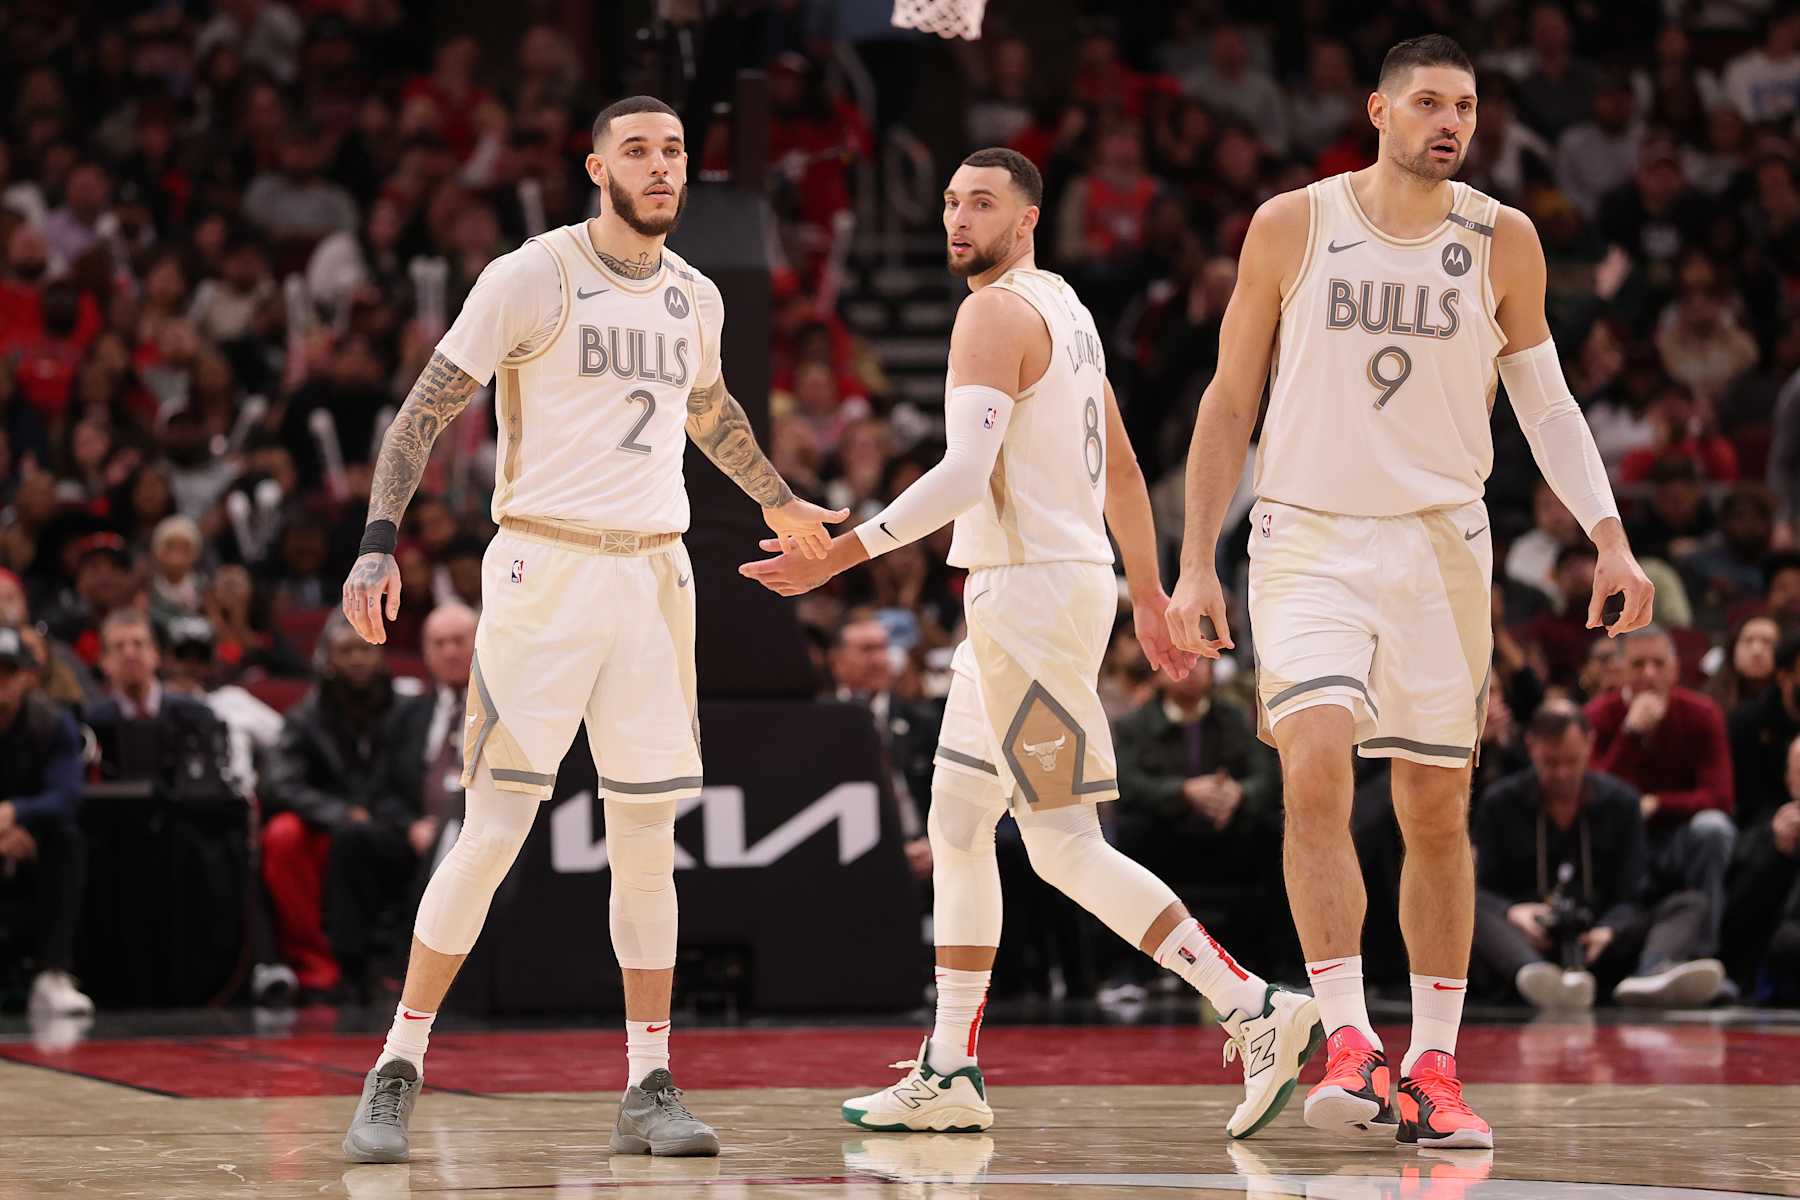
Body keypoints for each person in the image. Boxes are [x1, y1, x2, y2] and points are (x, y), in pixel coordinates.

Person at [742, 148, 1319, 1143]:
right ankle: (950, 1067)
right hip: (1041, 591)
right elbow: (1123, 467)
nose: (958, 219)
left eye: (982, 204)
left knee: (1061, 847)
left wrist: (842, 553)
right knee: (960, 824)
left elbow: (965, 476)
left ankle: (1252, 1006)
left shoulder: (994, 314)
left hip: (1030, 597)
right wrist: (1145, 590)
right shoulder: (1069, 309)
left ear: (1028, 219)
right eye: (950, 202)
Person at [1165, 35, 1654, 1151]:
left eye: (1466, 106)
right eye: (1429, 102)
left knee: (1437, 809)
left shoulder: (1503, 237)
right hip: (1307, 536)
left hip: (1441, 547)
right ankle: (1348, 1040)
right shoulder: (1292, 222)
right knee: (1316, 767)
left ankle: (1434, 1065)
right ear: (1378, 111)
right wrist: (1196, 560)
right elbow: (1229, 399)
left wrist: (1610, 537)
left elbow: (1547, 404)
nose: (1451, 122)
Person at [336, 96, 841, 1163]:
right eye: (638, 152)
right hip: (543, 567)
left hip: (655, 576)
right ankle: (397, 1063)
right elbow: (424, 409)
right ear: (596, 167)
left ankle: (649, 1082)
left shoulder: (697, 294)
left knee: (649, 842)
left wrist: (777, 497)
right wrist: (378, 541)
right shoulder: (533, 274)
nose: (661, 168)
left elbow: (709, 411)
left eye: (675, 152)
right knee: (493, 831)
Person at [1474, 703, 1725, 1010]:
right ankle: (1539, 979)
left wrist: (1610, 929)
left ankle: (1651, 974)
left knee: (1690, 903)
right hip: (1525, 940)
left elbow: (1633, 892)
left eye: (1571, 761)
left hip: (1601, 940)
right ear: (1531, 747)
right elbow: (1482, 890)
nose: (1562, 773)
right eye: (1550, 763)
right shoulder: (1501, 803)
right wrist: (1514, 912)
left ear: (1589, 745)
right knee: (1470, 908)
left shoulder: (1622, 802)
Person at [327, 603, 477, 995]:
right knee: (354, 839)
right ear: (425, 652)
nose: (449, 652)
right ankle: (356, 976)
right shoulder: (407, 714)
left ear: (481, 643)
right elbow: (382, 790)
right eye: (439, 643)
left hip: (481, 834)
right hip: (418, 835)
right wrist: (411, 826)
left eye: (458, 641)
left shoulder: (508, 711)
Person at [1584, 627, 1735, 964]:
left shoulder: (1702, 713)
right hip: (1618, 840)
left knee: (1714, 829)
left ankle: (1702, 956)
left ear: (1675, 669)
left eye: (1658, 663)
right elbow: (1591, 796)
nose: (1649, 674)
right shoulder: (1597, 715)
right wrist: (1630, 734)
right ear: (1620, 671)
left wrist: (1658, 803)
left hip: (1676, 836)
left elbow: (1720, 798)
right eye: (1638, 665)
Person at [0, 626, 92, 1016]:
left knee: (66, 840)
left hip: (28, 843)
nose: (1, 681)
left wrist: (18, 815)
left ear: (28, 676)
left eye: (8, 671)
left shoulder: (52, 723)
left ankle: (53, 974)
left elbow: (67, 794)